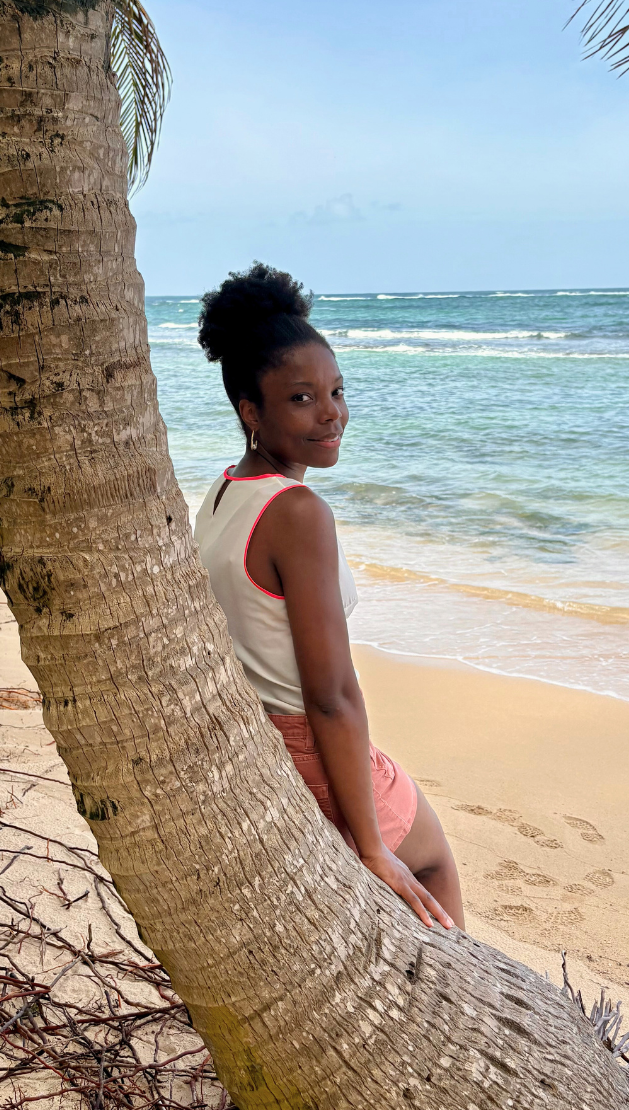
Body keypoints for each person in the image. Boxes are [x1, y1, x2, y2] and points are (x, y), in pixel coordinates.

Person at [193, 263, 464, 932]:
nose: (332, 413)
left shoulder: (225, 490)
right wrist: (370, 845)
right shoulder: (297, 512)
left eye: (337, 391)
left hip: (255, 740)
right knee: (433, 864)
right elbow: (331, 695)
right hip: (308, 749)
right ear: (250, 412)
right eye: (302, 398)